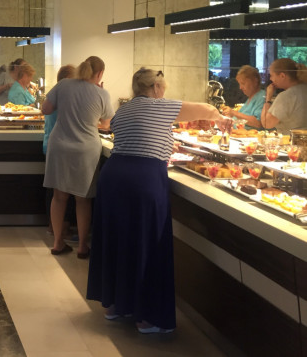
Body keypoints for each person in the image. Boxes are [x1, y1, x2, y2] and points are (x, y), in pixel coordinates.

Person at [87, 67, 232, 334]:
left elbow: (137, 136)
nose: (164, 92)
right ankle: (148, 317)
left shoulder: (124, 110)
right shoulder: (160, 105)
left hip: (114, 177)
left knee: (118, 240)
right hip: (142, 179)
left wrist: (165, 142)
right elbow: (205, 109)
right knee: (148, 242)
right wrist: (221, 118)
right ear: (155, 88)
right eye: (163, 87)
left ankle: (116, 305)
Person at [42, 56, 114, 259]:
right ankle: (82, 246)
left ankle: (57, 243)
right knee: (83, 200)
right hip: (86, 148)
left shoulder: (64, 84)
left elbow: (46, 109)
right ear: (100, 73)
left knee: (59, 196)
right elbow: (106, 124)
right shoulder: (101, 93)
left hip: (60, 145)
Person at [43, 64, 76, 239]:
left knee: (53, 188)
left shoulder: (53, 95)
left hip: (49, 144)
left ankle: (52, 225)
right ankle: (62, 227)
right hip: (61, 147)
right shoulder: (63, 97)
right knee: (64, 190)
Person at [261, 58, 307, 133]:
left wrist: (268, 98)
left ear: (282, 76)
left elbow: (267, 123)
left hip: (290, 138)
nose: (270, 79)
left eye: (272, 75)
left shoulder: (286, 97)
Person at [220, 65, 266, 129]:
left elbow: (258, 123)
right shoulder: (250, 97)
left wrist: (233, 113)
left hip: (250, 134)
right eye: (240, 84)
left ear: (255, 81)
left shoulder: (262, 97)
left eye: (243, 83)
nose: (240, 87)